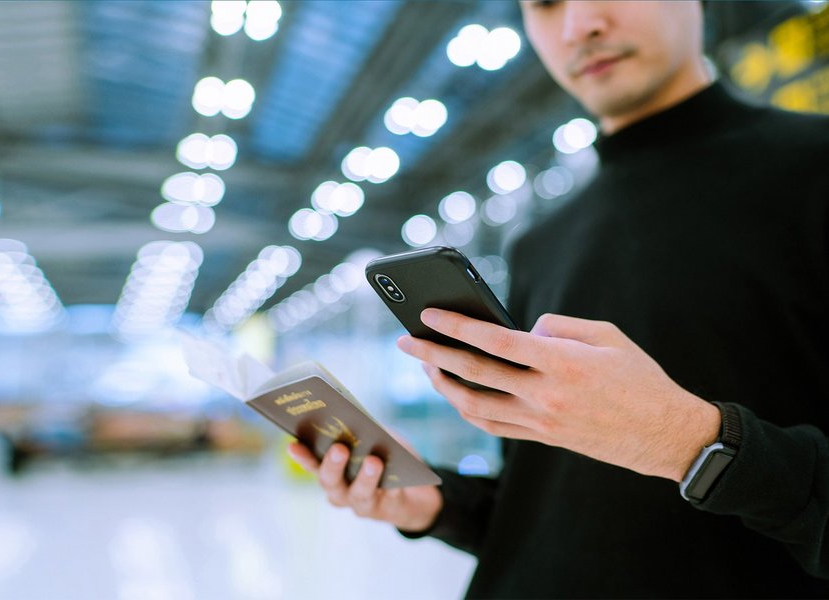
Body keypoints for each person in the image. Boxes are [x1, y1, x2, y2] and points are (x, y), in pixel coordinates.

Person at [288, 1, 829, 597]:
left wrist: (689, 440)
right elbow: (546, 505)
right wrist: (435, 504)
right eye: (545, 4)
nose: (579, 26)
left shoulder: (811, 172)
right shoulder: (541, 243)